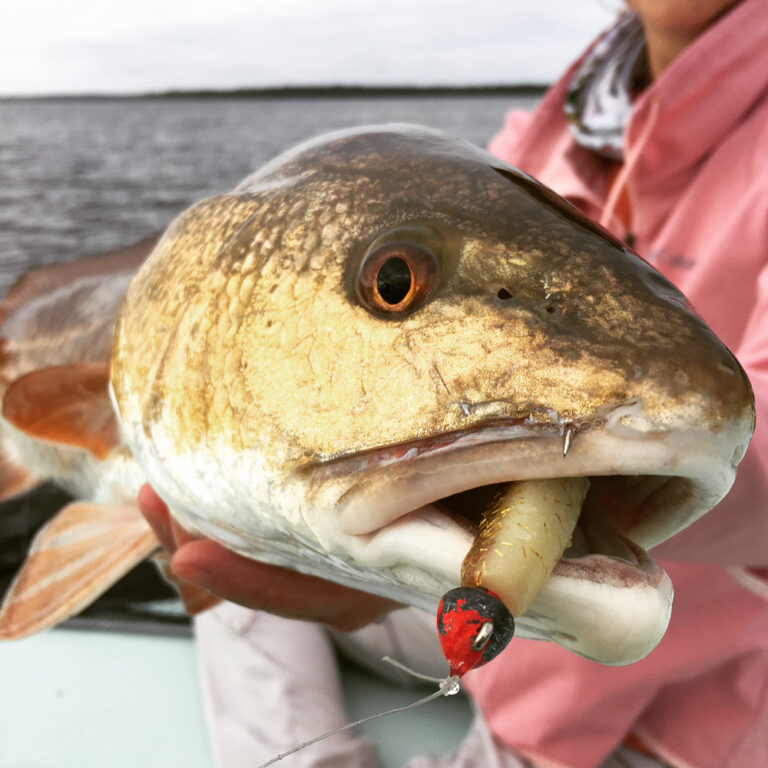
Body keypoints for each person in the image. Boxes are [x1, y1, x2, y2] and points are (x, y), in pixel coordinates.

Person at [140, 1, 768, 765]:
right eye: (394, 282)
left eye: (392, 282)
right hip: (467, 599)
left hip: (651, 716)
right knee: (218, 546)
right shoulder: (564, 121)